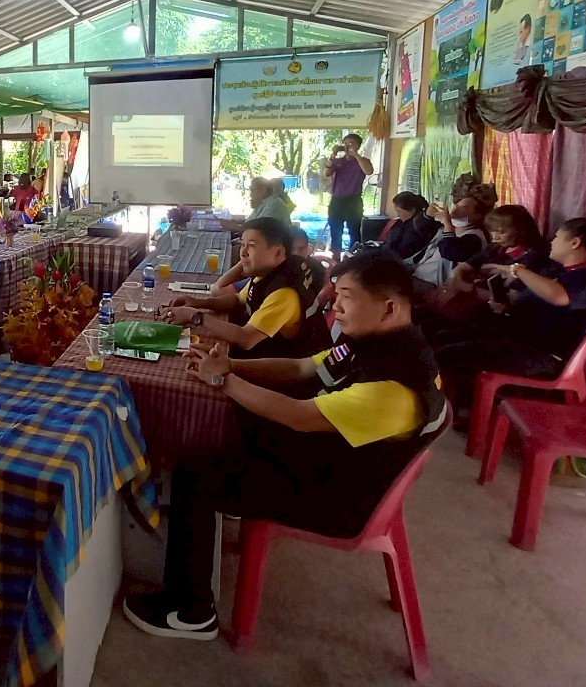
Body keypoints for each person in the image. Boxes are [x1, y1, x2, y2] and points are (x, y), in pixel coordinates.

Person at [122, 250, 447, 640]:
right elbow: (301, 368)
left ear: (389, 307)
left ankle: (191, 610)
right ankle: (200, 509)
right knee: (233, 418)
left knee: (196, 474)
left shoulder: (394, 387)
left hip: (335, 496)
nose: (333, 305)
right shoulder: (381, 343)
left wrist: (222, 381)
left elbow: (298, 416)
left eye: (346, 297)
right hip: (333, 458)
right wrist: (231, 367)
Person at [434, 216, 586, 422]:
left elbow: (558, 296)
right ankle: (463, 407)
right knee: (443, 338)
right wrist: (506, 306)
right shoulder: (565, 272)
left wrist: (518, 270)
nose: (551, 241)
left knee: (449, 354)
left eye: (557, 237)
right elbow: (540, 305)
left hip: (546, 356)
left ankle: (469, 413)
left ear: (575, 242)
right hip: (523, 339)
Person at [163, 218, 329, 360]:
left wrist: (194, 316)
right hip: (265, 352)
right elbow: (238, 299)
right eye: (242, 245)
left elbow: (245, 338)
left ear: (278, 253)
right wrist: (197, 302)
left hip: (287, 367)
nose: (243, 252)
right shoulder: (268, 274)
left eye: (251, 246)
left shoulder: (284, 293)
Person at [409, 183, 495, 290]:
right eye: (457, 205)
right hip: (418, 273)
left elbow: (449, 251)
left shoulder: (475, 237)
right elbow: (421, 229)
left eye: (464, 207)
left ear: (477, 215)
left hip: (435, 285)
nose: (456, 209)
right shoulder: (447, 226)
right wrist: (427, 215)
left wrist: (448, 225)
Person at [324, 133, 373, 260]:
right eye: (345, 144)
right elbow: (327, 173)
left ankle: (354, 258)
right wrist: (333, 154)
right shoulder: (339, 161)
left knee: (354, 231)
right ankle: (335, 259)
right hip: (337, 200)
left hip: (353, 201)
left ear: (358, 145)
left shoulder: (362, 161)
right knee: (335, 231)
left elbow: (368, 171)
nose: (347, 146)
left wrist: (355, 154)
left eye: (351, 143)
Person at [381, 192, 440, 262]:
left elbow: (422, 221)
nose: (397, 215)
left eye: (399, 211)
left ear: (412, 210)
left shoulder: (419, 225)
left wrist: (426, 215)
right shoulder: (402, 222)